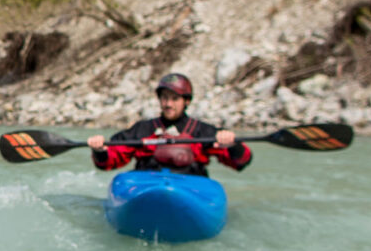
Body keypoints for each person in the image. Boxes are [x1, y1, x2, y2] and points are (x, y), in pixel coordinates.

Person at [88, 73, 252, 176]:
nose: (168, 104)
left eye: (174, 98)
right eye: (164, 98)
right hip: (147, 183)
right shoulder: (142, 129)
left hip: (190, 185)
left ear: (187, 101)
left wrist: (232, 145)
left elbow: (242, 162)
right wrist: (100, 151)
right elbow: (109, 161)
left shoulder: (202, 131)